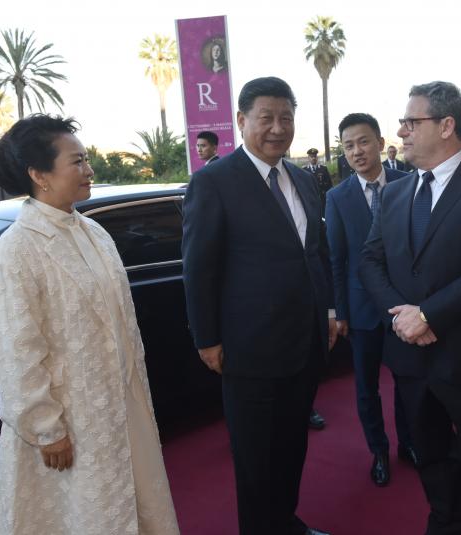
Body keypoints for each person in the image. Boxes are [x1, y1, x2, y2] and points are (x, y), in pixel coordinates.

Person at [0, 115, 179, 534]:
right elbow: (16, 352)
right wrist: (45, 428)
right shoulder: (15, 251)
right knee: (81, 516)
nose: (89, 170)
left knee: (135, 507)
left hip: (120, 407)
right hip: (68, 421)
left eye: (87, 159)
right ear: (40, 175)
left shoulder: (93, 231)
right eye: (78, 161)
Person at [360, 81, 461, 535]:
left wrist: (427, 315)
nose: (403, 131)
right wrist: (404, 315)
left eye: (412, 122)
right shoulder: (393, 193)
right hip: (410, 357)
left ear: (447, 125)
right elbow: (371, 260)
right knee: (430, 458)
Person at [182, 76, 335, 535]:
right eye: (266, 117)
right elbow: (200, 267)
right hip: (248, 350)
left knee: (291, 447)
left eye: (285, 118)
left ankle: (286, 522)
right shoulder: (213, 182)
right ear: (241, 121)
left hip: (304, 343)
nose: (277, 127)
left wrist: (327, 313)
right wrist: (206, 338)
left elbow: (316, 254)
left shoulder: (304, 180)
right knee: (255, 457)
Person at [325, 112, 416, 487]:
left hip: (402, 306)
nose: (357, 151)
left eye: (363, 142)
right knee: (367, 388)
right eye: (348, 146)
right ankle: (378, 450)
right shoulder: (337, 197)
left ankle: (409, 443)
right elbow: (335, 258)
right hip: (360, 310)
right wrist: (339, 311)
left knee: (408, 380)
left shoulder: (408, 183)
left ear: (380, 143)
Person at [305, 147, 333, 216]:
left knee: (324, 215)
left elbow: (329, 184)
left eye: (315, 156)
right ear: (308, 158)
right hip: (310, 198)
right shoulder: (304, 170)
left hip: (322, 198)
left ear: (317, 157)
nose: (313, 158)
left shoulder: (323, 169)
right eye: (311, 157)